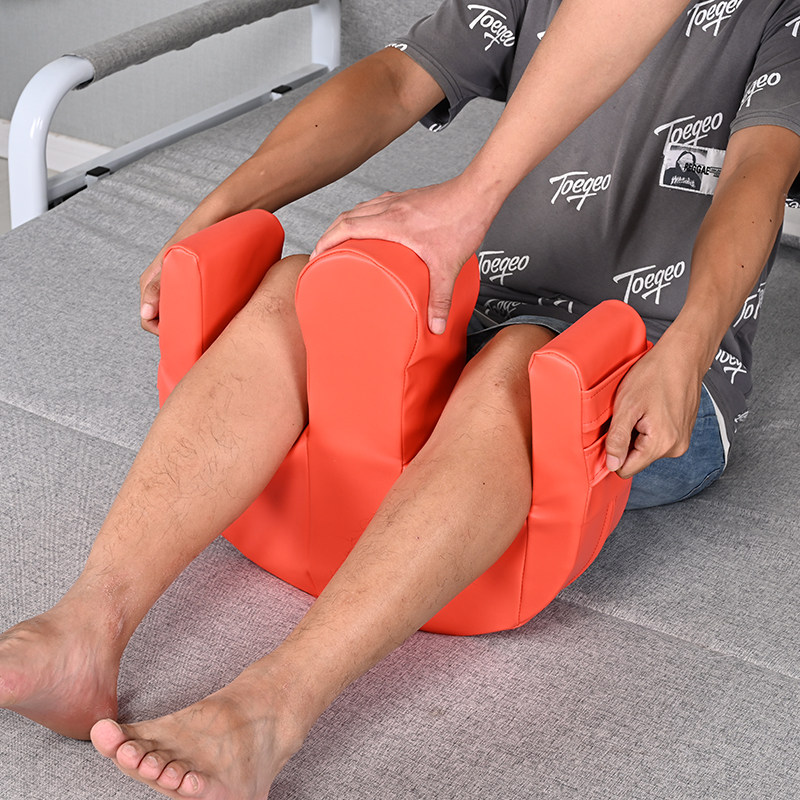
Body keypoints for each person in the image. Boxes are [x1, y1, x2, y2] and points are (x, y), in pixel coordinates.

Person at [1, 2, 799, 800]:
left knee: (519, 365)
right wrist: (220, 209)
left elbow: (757, 176)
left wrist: (689, 349)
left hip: (656, 359)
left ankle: (266, 712)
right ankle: (83, 634)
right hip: (481, 295)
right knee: (298, 292)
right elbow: (393, 82)